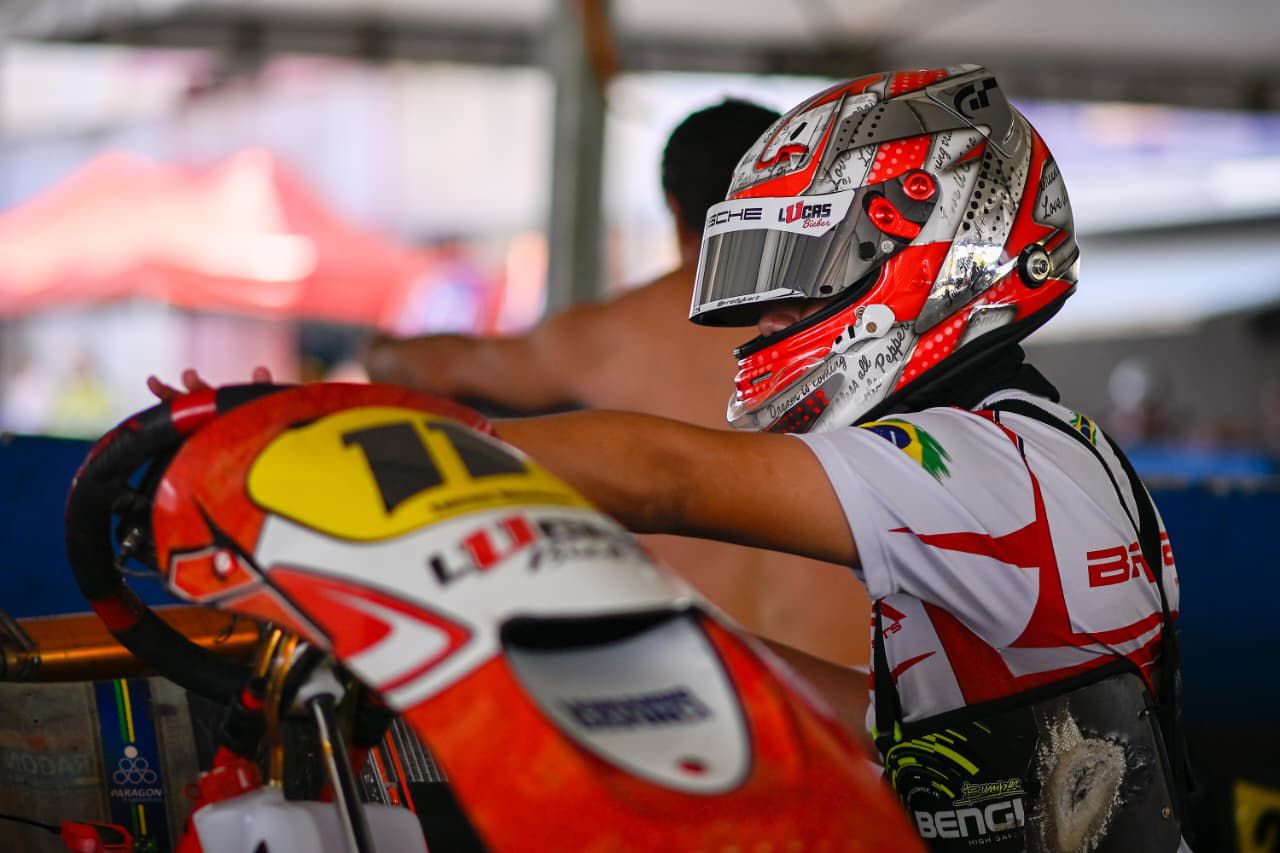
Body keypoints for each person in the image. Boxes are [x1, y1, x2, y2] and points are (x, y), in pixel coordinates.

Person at [154, 66, 1193, 851]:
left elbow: (663, 476)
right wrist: (630, 644)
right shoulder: (1037, 451)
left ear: (930, 252)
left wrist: (333, 451)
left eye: (799, 281)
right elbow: (901, 731)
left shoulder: (973, 463)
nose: (769, 320)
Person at [362, 99, 874, 667]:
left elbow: (437, 367)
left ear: (674, 210)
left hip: (699, 689)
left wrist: (380, 351)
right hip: (866, 693)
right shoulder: (876, 327)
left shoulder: (610, 336)